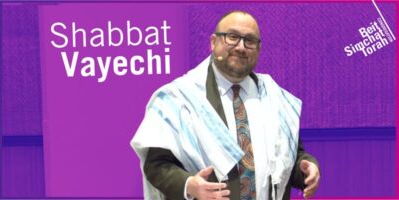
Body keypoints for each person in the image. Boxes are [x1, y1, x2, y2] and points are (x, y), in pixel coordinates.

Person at [131, 10, 320, 200]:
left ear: (258, 49)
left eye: (250, 41)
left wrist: (306, 167)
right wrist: (189, 185)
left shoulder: (275, 97)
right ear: (214, 42)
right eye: (232, 37)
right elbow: (156, 164)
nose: (241, 47)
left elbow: (290, 155)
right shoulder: (178, 98)